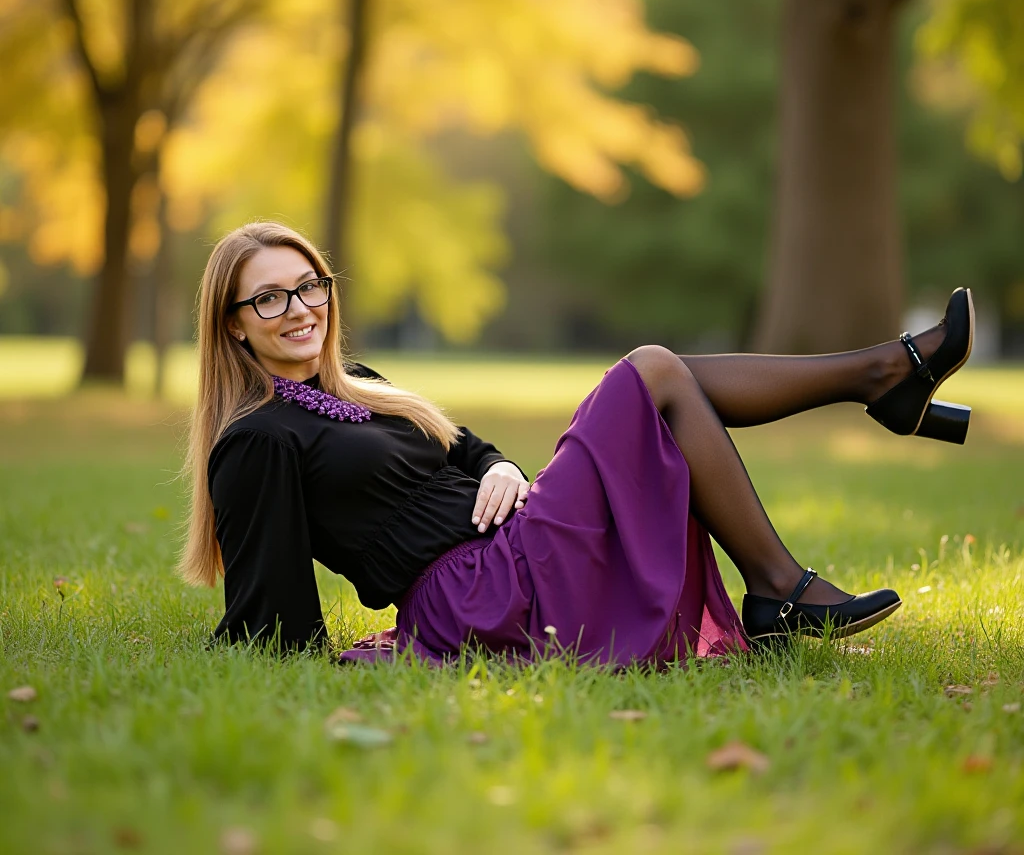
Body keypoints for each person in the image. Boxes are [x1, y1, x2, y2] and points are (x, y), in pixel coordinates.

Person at [179, 221, 975, 664]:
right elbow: (268, 606)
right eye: (270, 297)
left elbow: (461, 447)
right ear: (234, 323)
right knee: (654, 373)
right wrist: (351, 657)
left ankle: (791, 569)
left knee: (663, 384)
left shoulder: (354, 379)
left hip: (520, 544)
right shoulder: (256, 441)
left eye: (310, 284)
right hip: (477, 593)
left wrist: (500, 466)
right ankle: (877, 387)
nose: (300, 307)